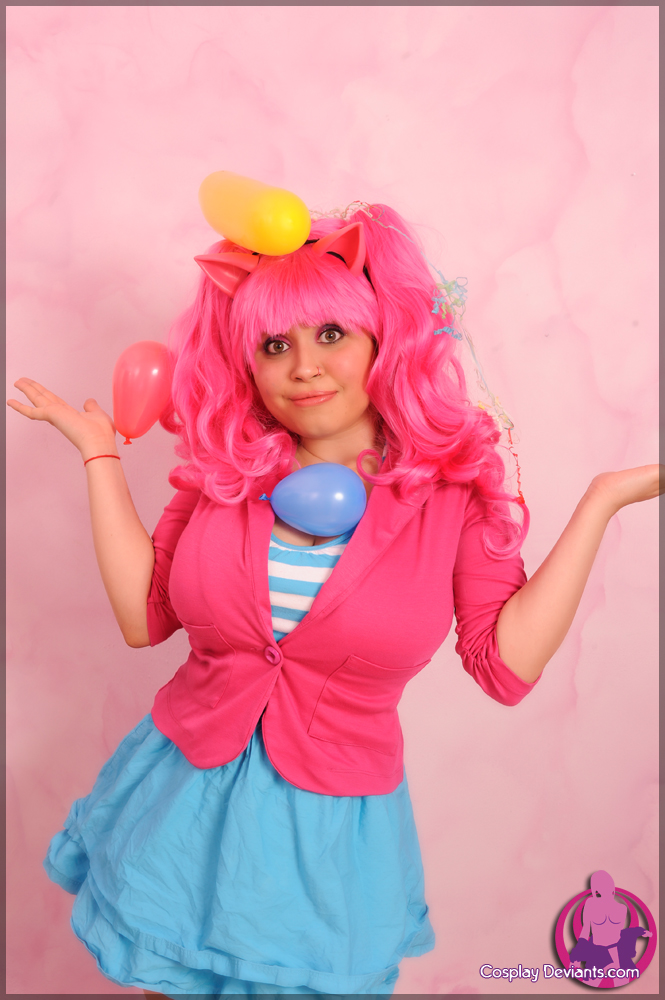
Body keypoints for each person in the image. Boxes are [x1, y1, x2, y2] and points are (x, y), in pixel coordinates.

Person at [7, 202, 661, 998]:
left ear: (384, 340)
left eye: (330, 334)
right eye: (273, 345)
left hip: (323, 833)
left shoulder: (452, 496)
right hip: (181, 803)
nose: (303, 368)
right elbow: (144, 617)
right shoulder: (224, 474)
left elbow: (503, 666)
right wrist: (99, 455)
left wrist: (600, 502)